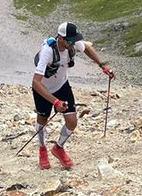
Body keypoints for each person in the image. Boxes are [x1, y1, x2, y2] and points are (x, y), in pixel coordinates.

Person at [31, 21, 113, 170]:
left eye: (74, 40)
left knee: (72, 122)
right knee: (42, 120)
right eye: (70, 40)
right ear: (60, 38)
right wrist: (55, 102)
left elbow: (87, 47)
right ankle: (42, 149)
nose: (73, 43)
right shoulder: (48, 51)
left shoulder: (72, 44)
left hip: (62, 85)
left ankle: (59, 147)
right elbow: (36, 82)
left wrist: (103, 66)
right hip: (44, 89)